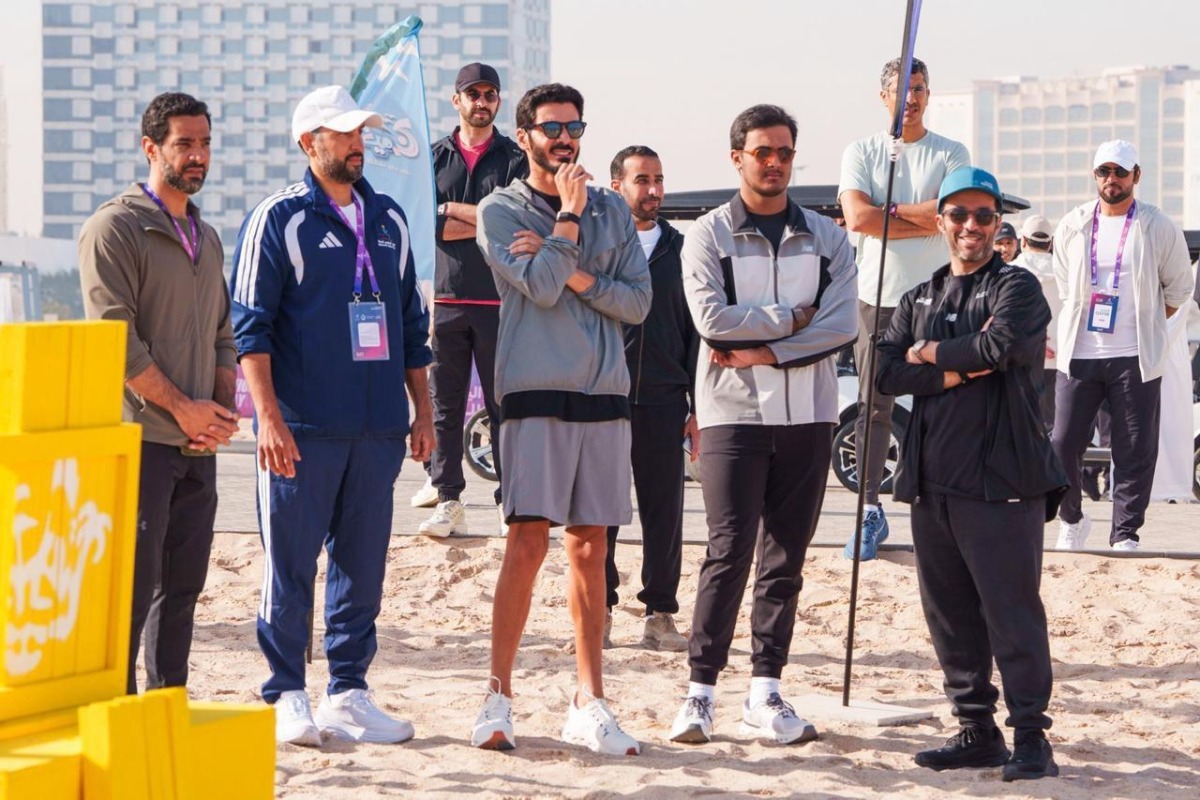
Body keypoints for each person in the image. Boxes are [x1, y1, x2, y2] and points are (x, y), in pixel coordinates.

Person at [230, 86, 434, 746]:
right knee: (290, 568)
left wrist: (422, 411)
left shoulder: (390, 219)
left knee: (362, 567)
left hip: (376, 431)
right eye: (343, 133)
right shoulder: (279, 218)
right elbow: (249, 330)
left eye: (360, 132)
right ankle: (287, 692)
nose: (356, 142)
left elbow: (410, 324)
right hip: (301, 430)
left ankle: (348, 691)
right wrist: (269, 421)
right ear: (307, 143)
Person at [468, 83, 652, 756]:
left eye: (574, 124)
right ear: (526, 138)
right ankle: (497, 698)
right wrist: (569, 224)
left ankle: (589, 700)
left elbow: (637, 303)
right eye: (551, 127)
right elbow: (538, 289)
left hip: (603, 395)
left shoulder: (613, 208)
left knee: (591, 550)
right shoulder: (498, 209)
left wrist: (572, 271)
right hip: (533, 393)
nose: (565, 136)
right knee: (526, 543)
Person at [669, 104, 858, 746]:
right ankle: (700, 694)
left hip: (809, 414)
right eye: (761, 152)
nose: (773, 162)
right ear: (737, 158)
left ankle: (765, 691)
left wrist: (765, 346)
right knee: (727, 551)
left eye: (783, 151)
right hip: (731, 415)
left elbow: (843, 325)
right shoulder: (708, 235)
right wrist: (793, 320)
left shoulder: (828, 237)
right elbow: (712, 322)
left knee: (785, 557)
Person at [875, 166, 1065, 783]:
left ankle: (1032, 737)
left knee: (1011, 612)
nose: (972, 227)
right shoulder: (920, 295)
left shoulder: (1017, 288)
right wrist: (952, 367)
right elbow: (883, 370)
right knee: (949, 615)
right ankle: (975, 730)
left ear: (997, 224)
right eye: (959, 215)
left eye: (985, 216)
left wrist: (927, 352)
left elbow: (999, 347)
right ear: (940, 221)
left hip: (1003, 478)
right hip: (931, 480)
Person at [79, 92, 240, 695]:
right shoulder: (114, 228)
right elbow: (117, 343)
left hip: (199, 445)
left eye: (204, 144)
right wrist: (184, 409)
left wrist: (217, 412)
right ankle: (117, 711)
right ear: (151, 148)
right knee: (133, 590)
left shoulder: (208, 235)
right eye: (184, 145)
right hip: (139, 440)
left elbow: (224, 333)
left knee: (183, 591)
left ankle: (167, 706)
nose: (197, 156)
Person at [838, 57, 970, 560]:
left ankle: (945, 510)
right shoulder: (864, 151)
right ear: (884, 96)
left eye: (919, 88)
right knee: (875, 408)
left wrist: (887, 212)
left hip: (940, 298)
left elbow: (952, 215)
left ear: (929, 94)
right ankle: (869, 510)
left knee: (946, 406)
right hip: (878, 299)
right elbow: (857, 217)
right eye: (902, 90)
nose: (911, 98)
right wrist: (921, 216)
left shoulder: (951, 151)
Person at [1050, 140, 1194, 551]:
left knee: (1134, 448)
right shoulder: (1074, 224)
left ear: (1136, 176)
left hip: (1134, 356)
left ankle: (1124, 532)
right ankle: (1072, 518)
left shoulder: (1156, 224)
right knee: (1062, 443)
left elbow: (1180, 286)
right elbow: (1065, 282)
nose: (1111, 179)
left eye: (1119, 171)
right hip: (1081, 352)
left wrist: (1146, 323)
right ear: (1094, 176)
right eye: (1103, 171)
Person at [416, 62, 528, 536]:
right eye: (473, 94)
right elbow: (428, 223)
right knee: (444, 405)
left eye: (490, 94)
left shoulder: (514, 158)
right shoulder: (433, 156)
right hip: (445, 303)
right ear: (456, 100)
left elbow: (518, 224)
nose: (482, 101)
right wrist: (485, 218)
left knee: (507, 406)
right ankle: (448, 498)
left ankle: (510, 499)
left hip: (502, 302)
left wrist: (454, 213)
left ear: (498, 101)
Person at [600, 145, 698, 652]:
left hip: (664, 401)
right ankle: (601, 612)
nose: (653, 189)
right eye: (642, 179)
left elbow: (699, 332)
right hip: (605, 400)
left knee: (665, 513)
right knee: (602, 512)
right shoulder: (599, 247)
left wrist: (698, 407)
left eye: (659, 179)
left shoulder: (684, 250)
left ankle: (660, 613)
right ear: (618, 185)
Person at [1012, 215, 1059, 428]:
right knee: (1053, 431)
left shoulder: (1009, 272)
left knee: (1020, 432)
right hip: (1059, 362)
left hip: (1019, 362)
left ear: (1022, 241)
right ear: (1050, 244)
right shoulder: (1067, 273)